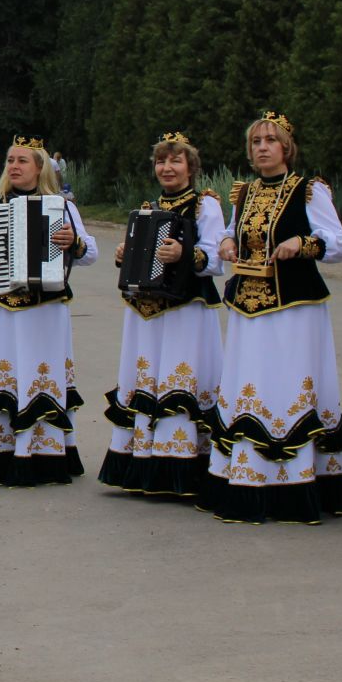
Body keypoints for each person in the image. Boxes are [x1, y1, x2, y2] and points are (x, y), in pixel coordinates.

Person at [207, 112, 342, 524]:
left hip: (293, 306)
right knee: (251, 384)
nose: (263, 147)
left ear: (287, 147)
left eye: (271, 140)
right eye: (256, 142)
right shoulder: (246, 192)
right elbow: (233, 231)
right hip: (247, 306)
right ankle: (248, 476)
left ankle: (294, 482)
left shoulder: (308, 191)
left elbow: (338, 243)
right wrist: (227, 243)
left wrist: (301, 243)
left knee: (287, 385)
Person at [0, 140, 96, 486]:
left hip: (46, 309)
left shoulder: (62, 208)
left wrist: (74, 243)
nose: (13, 166)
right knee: (5, 374)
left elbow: (90, 255)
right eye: (10, 159)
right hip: (4, 309)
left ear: (39, 167)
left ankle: (44, 454)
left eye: (22, 161)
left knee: (41, 374)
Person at [98, 133, 226, 501]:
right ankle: (143, 462)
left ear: (191, 167)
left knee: (179, 381)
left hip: (185, 308)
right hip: (146, 312)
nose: (167, 168)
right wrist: (125, 254)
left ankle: (183, 463)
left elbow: (214, 258)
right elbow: (139, 259)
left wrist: (184, 255)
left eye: (175, 162)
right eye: (161, 162)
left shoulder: (205, 206)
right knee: (147, 379)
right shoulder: (148, 207)